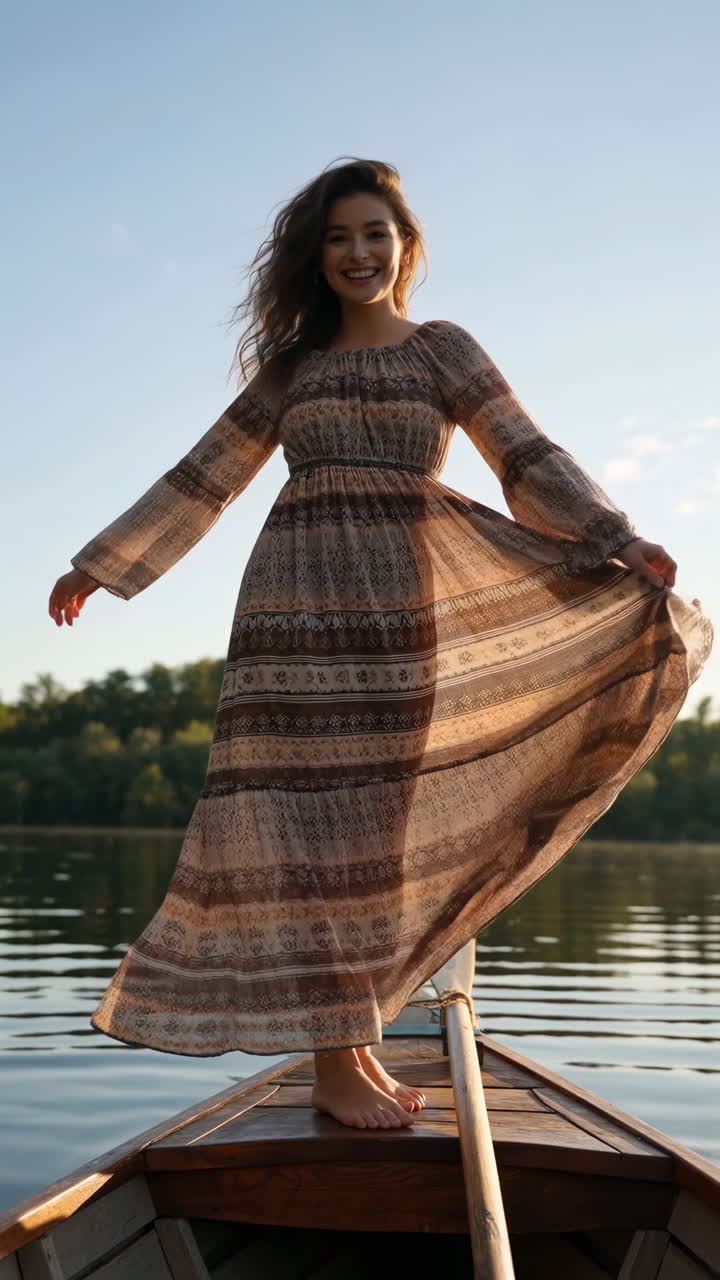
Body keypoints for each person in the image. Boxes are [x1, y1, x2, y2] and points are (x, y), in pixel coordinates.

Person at [48, 157, 712, 1131]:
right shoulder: (293, 368)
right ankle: (335, 1061)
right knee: (308, 837)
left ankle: (351, 1042)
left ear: (405, 248)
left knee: (375, 841)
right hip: (290, 611)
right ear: (314, 257)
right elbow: (205, 475)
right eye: (337, 237)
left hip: (400, 615)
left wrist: (616, 538)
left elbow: (524, 453)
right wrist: (103, 563)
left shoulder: (443, 350)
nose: (358, 252)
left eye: (375, 234)